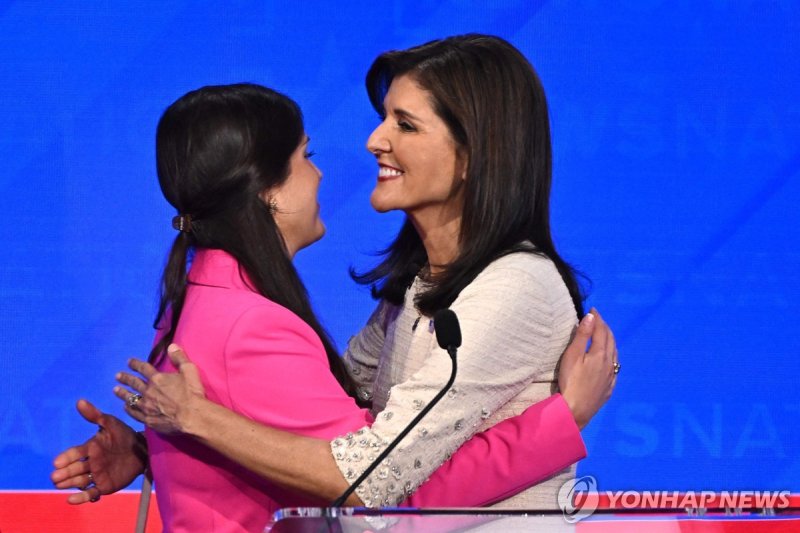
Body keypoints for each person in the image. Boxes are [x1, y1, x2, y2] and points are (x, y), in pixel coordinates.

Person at [51, 75, 615, 532]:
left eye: (405, 123)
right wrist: (561, 422)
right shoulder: (253, 323)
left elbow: (310, 448)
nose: (369, 144)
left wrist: (160, 446)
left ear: (473, 154)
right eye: (306, 154)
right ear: (267, 190)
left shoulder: (205, 294)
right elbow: (379, 490)